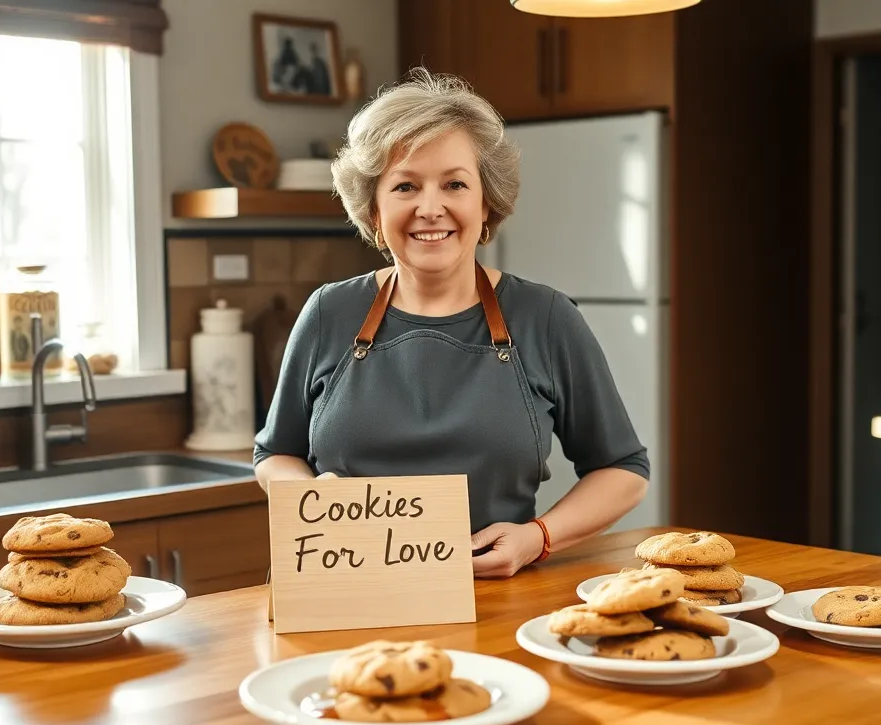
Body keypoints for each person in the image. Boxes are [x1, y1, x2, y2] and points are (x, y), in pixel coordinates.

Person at [253, 68, 650, 579]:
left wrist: (537, 538)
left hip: (494, 598)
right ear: (374, 211)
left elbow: (624, 469)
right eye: (405, 186)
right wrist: (310, 495)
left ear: (487, 203)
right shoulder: (330, 311)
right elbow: (273, 453)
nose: (430, 208)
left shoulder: (546, 317)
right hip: (341, 591)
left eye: (455, 184)